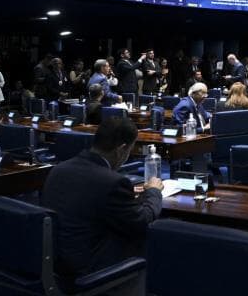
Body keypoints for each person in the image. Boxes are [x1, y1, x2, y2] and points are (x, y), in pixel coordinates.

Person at [41, 117, 163, 281]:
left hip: (55, 259)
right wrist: (154, 191)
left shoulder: (59, 169)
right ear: (121, 150)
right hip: (88, 268)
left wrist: (126, 197)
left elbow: (88, 199)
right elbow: (142, 221)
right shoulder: (112, 182)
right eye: (129, 151)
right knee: (155, 238)